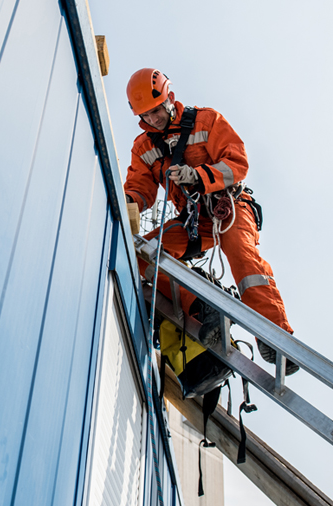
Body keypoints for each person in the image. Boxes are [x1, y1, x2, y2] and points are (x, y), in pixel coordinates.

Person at [123, 68, 298, 374]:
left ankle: (275, 335)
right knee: (139, 254)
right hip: (194, 221)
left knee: (243, 260)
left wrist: (199, 176)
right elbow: (139, 189)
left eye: (155, 111)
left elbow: (237, 163)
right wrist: (126, 203)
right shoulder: (144, 148)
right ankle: (201, 307)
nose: (152, 119)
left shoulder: (206, 122)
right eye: (145, 116)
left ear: (169, 98)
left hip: (228, 207)